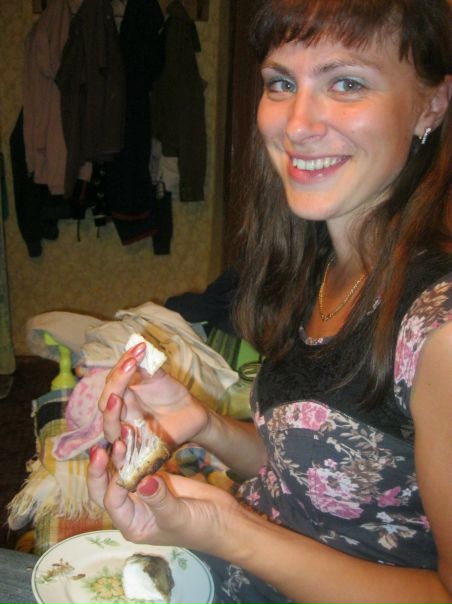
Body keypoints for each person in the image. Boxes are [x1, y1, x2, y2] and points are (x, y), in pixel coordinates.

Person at [87, 1, 452, 602]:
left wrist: (230, 531)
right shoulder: (319, 265)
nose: (297, 124)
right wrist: (205, 425)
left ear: (432, 104)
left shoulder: (438, 329)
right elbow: (311, 476)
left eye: (347, 83)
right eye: (282, 82)